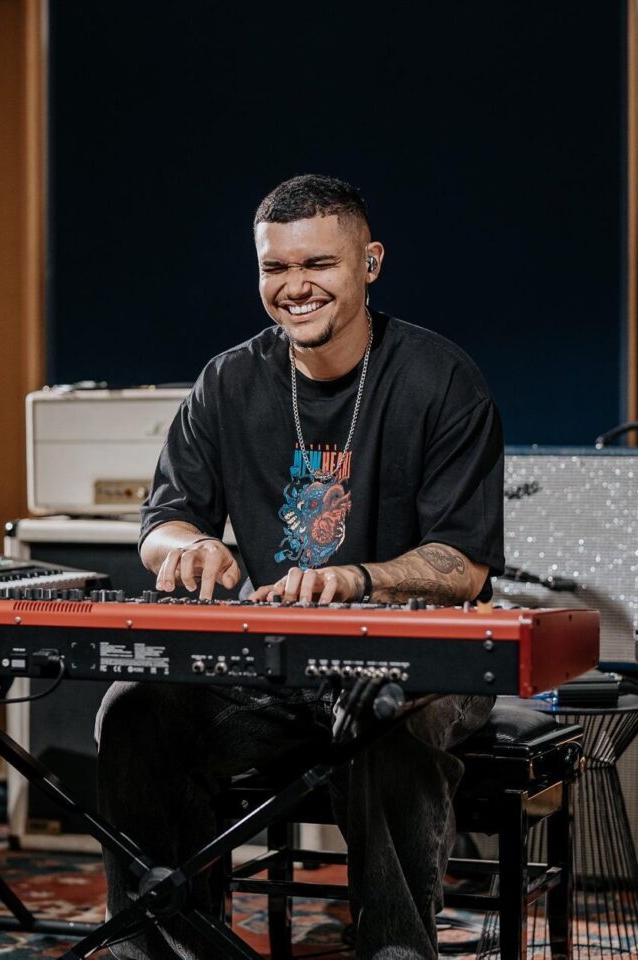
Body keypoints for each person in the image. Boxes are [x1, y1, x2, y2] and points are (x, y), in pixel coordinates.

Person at [96, 174, 504, 960]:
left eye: (318, 264)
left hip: (420, 664)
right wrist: (191, 547)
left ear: (370, 263)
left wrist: (357, 580)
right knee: (136, 708)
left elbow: (464, 566)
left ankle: (396, 951)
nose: (295, 286)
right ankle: (165, 949)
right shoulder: (227, 381)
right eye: (275, 268)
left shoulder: (441, 379)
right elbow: (161, 526)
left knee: (387, 714)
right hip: (278, 666)